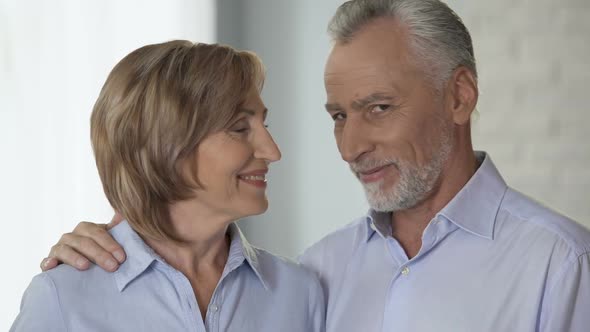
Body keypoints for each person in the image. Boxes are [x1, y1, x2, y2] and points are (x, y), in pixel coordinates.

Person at [39, 0, 590, 331]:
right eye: (338, 116)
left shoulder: (562, 265)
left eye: (378, 108)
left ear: (459, 96)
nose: (350, 147)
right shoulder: (320, 273)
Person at [11, 40, 325, 331]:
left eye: (264, 125)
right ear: (164, 146)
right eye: (240, 128)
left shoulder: (299, 293)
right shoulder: (61, 298)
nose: (273, 151)